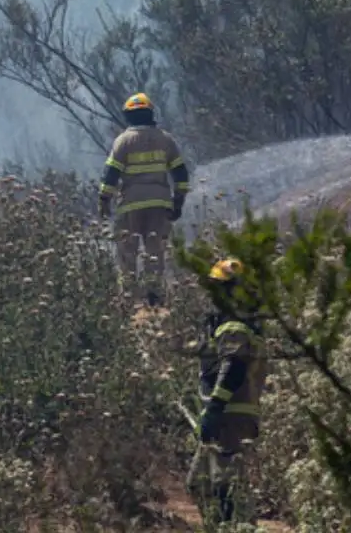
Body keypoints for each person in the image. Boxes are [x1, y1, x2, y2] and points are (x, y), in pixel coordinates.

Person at [187, 257, 267, 525]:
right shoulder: (242, 323)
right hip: (234, 417)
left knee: (224, 491)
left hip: (228, 419)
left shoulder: (233, 326)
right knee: (204, 484)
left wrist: (213, 409)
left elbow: (233, 369)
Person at [98, 92, 191, 306]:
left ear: (128, 116)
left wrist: (104, 199)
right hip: (160, 205)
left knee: (126, 253)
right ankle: (154, 295)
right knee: (155, 251)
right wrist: (179, 201)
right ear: (150, 114)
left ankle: (129, 297)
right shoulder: (166, 140)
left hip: (130, 205)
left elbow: (110, 174)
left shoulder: (123, 141)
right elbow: (180, 173)